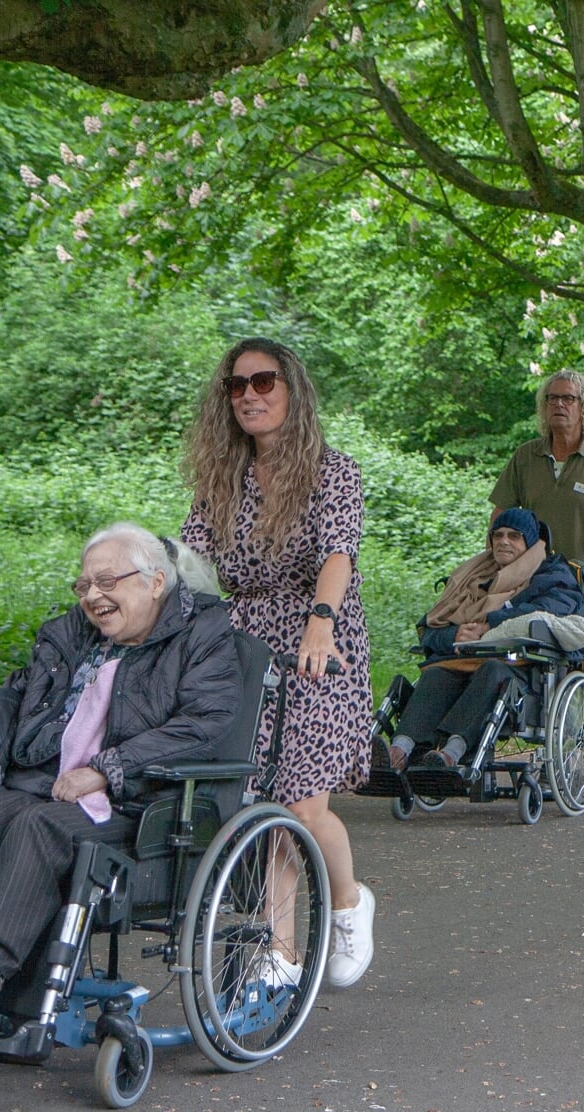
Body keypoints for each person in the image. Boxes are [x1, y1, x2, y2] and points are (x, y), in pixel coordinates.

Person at [0, 524, 237, 1034]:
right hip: (45, 784)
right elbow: (11, 699)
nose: (93, 596)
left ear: (155, 582)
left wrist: (107, 769)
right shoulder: (70, 632)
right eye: (85, 585)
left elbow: (205, 723)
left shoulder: (202, 633)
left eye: (108, 581)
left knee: (39, 828)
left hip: (140, 804)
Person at [181, 337, 376, 989]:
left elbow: (338, 553)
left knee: (301, 805)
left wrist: (319, 624)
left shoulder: (332, 470)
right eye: (236, 386)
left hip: (320, 639)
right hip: (245, 640)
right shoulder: (221, 481)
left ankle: (347, 902)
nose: (249, 396)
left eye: (263, 382)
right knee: (259, 800)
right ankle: (281, 948)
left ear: (291, 390)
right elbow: (192, 565)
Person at [389, 509, 584, 773]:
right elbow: (431, 628)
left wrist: (491, 624)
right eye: (498, 535)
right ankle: (399, 750)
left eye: (514, 536)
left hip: (524, 670)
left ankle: (450, 755)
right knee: (437, 674)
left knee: (492, 671)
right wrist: (453, 635)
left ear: (531, 542)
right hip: (464, 663)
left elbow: (550, 611)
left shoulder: (552, 575)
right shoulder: (472, 578)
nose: (503, 541)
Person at [489, 368, 584, 587]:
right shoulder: (526, 456)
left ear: (583, 407)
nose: (559, 404)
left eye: (568, 398)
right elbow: (500, 513)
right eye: (553, 398)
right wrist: (492, 561)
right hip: (532, 580)